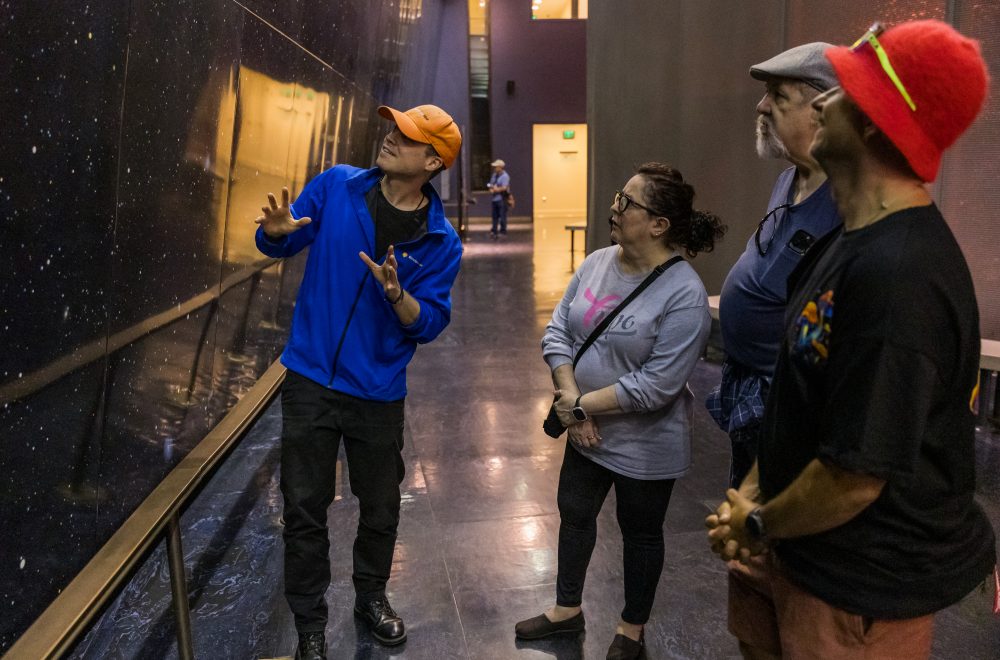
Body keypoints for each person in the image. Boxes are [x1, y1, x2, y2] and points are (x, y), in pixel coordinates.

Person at [706, 20, 997, 660]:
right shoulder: (850, 237)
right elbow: (795, 391)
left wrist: (755, 523)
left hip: (857, 587)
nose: (822, 101)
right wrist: (751, 498)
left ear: (870, 124)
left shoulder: (901, 276)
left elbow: (853, 476)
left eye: (842, 91)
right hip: (795, 548)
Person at [254, 104, 463, 660]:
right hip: (311, 380)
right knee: (303, 507)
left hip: (377, 392)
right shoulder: (336, 185)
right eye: (394, 128)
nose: (391, 137)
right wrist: (272, 235)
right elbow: (281, 237)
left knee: (381, 506)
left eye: (408, 137)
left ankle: (371, 597)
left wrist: (398, 296)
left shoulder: (441, 241)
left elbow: (432, 322)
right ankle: (310, 629)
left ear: (434, 162)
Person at [517, 163, 725, 660]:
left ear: (658, 224)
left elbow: (657, 385)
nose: (615, 207)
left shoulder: (685, 295)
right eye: (618, 196)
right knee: (574, 513)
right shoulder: (596, 262)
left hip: (646, 445)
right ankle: (567, 609)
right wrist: (572, 401)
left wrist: (579, 409)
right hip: (585, 432)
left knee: (641, 533)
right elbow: (559, 331)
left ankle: (632, 628)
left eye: (627, 202)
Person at [707, 42, 841, 489]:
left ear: (823, 111)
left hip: (791, 403)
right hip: (752, 387)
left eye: (778, 96)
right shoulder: (789, 179)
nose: (761, 106)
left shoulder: (847, 203)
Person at [487, 158, 510, 238]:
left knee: (502, 215)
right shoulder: (494, 175)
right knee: (494, 216)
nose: (495, 168)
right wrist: (491, 188)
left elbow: (504, 187)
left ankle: (503, 231)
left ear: (500, 167)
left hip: (502, 199)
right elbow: (491, 184)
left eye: (496, 167)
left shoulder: (505, 176)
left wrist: (496, 189)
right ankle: (494, 230)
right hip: (495, 199)